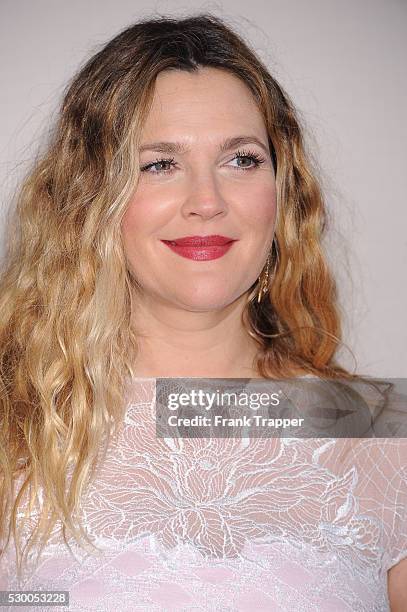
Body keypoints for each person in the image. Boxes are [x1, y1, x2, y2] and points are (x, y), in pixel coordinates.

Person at [0, 12, 406, 611]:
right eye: (159, 163)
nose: (207, 201)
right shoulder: (15, 428)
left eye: (241, 159)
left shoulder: (383, 435)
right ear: (89, 201)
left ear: (283, 193)